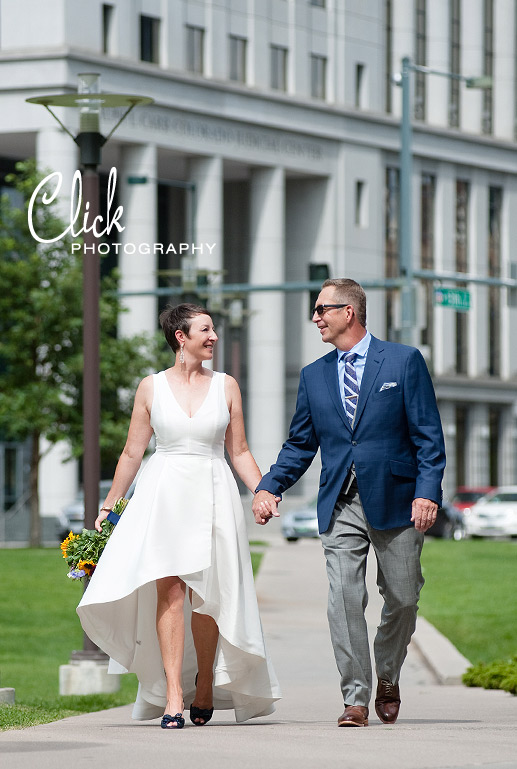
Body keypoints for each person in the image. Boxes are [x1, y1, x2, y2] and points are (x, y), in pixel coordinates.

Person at [78, 304, 280, 730]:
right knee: (168, 589)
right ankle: (173, 693)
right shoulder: (150, 387)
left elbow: (238, 450)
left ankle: (204, 680)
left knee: (206, 593)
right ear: (180, 337)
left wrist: (263, 490)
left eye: (214, 330)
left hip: (212, 491)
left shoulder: (227, 385)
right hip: (164, 492)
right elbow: (133, 452)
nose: (214, 337)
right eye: (206, 330)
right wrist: (109, 504)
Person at [253, 278, 445, 728]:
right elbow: (301, 445)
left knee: (402, 596)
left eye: (322, 309)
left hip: (398, 501)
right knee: (343, 598)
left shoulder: (403, 361)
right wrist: (269, 486)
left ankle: (389, 673)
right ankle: (355, 697)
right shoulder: (313, 375)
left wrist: (427, 492)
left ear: (349, 312)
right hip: (340, 503)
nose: (315, 317)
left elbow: (428, 437)